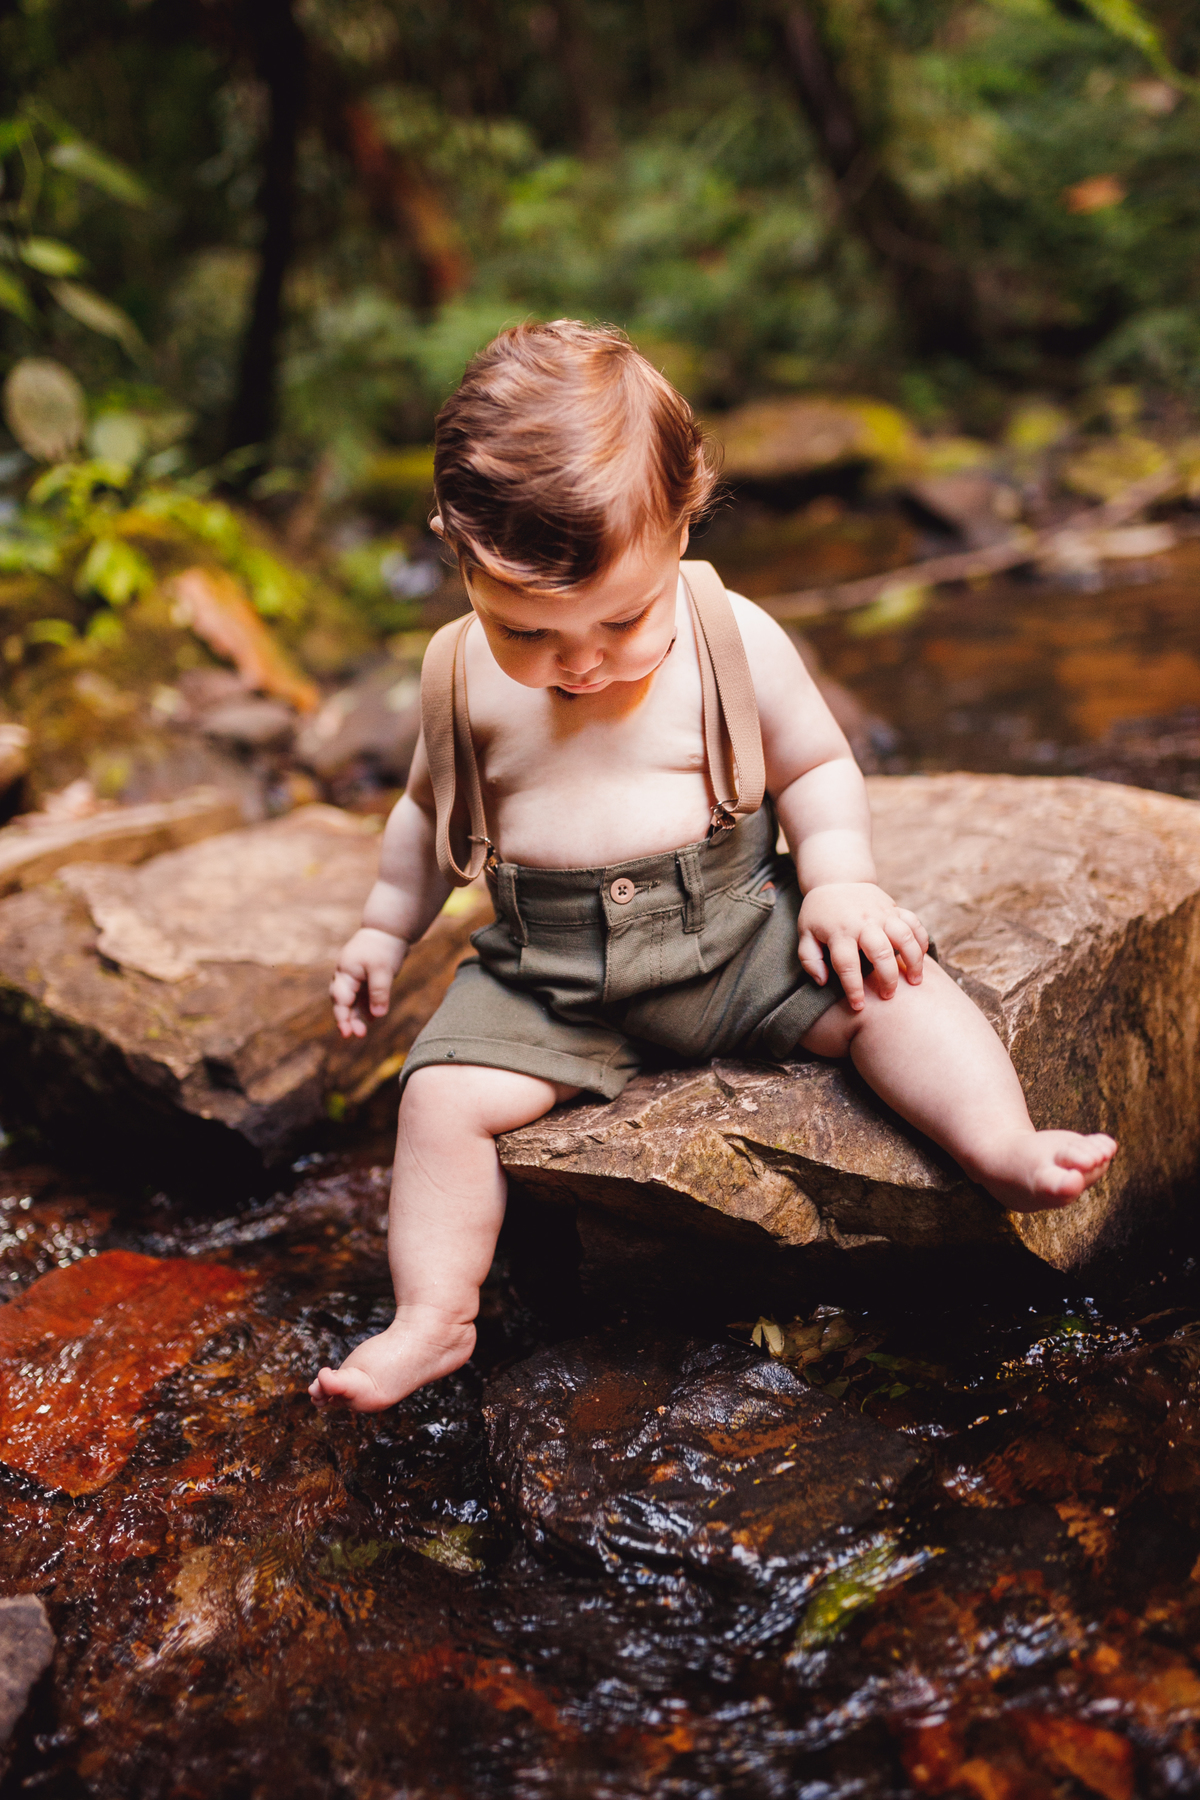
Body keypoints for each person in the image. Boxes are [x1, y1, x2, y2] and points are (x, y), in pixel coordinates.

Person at [310, 320, 1116, 1413]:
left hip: (737, 933)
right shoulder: (458, 673)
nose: (580, 662)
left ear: (682, 526)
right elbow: (422, 815)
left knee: (897, 986)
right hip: (549, 976)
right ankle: (433, 1315)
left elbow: (819, 765)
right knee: (440, 1099)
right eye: (529, 633)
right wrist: (378, 930)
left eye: (620, 619)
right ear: (459, 558)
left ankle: (1003, 1147)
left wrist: (837, 879)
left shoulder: (730, 633)